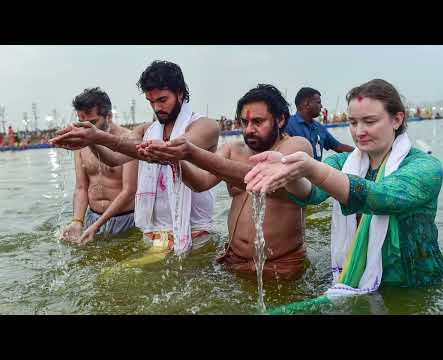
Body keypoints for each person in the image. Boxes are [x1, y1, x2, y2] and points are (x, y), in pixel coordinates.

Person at [245, 79, 443, 293]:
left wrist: (314, 169)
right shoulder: (344, 162)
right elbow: (311, 193)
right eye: (352, 122)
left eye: (369, 122)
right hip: (356, 275)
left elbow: (383, 197)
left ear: (397, 119)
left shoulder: (425, 167)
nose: (359, 131)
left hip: (415, 283)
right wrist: (290, 171)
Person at [51, 60, 219, 259]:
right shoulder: (146, 130)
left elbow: (174, 150)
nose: (157, 107)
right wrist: (90, 140)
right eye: (151, 102)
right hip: (154, 234)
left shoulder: (205, 126)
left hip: (195, 233)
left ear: (180, 93)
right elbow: (114, 158)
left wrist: (99, 136)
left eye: (163, 100)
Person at [144, 84, 313, 280]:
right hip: (232, 258)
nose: (249, 129)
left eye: (258, 122)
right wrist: (173, 159)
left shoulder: (296, 146)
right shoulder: (233, 150)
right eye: (244, 122)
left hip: (281, 264)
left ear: (281, 119)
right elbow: (201, 183)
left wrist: (192, 152)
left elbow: (260, 177)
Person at [60, 88, 138, 245]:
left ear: (109, 116)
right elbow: (81, 187)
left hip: (125, 220)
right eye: (81, 124)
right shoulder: (81, 142)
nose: (85, 129)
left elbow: (129, 191)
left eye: (93, 123)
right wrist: (77, 221)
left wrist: (97, 226)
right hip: (92, 218)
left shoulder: (129, 140)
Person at [285, 87, 354, 161]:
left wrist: (362, 152)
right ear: (307, 103)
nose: (321, 106)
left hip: (316, 171)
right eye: (318, 102)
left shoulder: (319, 128)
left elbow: (339, 147)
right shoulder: (287, 125)